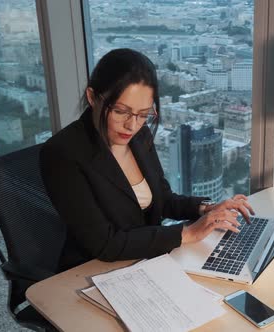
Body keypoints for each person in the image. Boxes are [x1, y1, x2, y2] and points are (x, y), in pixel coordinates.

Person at [40, 48, 254, 271]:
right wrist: (188, 233)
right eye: (121, 111)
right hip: (91, 271)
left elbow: (162, 198)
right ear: (93, 97)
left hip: (146, 261)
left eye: (143, 114)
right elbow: (105, 244)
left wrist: (205, 209)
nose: (132, 125)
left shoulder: (139, 136)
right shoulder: (62, 154)